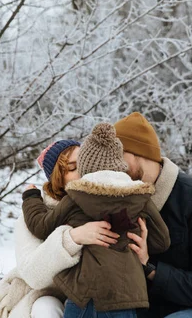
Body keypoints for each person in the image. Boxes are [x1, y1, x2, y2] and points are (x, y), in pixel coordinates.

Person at [22, 123, 170, 317]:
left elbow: (40, 226)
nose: (78, 173)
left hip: (86, 293)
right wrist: (143, 245)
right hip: (126, 296)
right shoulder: (140, 197)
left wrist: (31, 198)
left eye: (79, 165)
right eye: (72, 168)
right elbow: (162, 241)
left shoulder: (75, 196)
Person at [114, 112, 192, 318]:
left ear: (138, 152)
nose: (112, 166)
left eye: (117, 157)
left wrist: (150, 267)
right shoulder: (117, 196)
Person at [0, 140, 121, 318]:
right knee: (47, 307)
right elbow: (32, 274)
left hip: (89, 296)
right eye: (73, 168)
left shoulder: (103, 204)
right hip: (40, 297)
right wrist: (73, 238)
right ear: (57, 177)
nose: (83, 173)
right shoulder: (34, 216)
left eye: (86, 164)